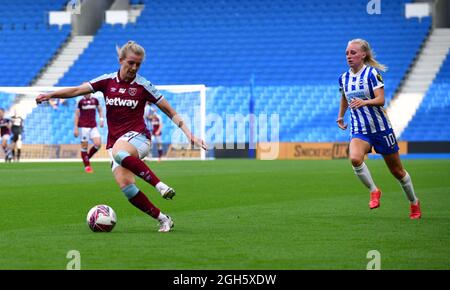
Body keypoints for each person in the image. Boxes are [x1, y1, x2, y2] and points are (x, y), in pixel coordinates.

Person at [36, 40, 207, 232]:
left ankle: (160, 185)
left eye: (138, 64)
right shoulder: (107, 81)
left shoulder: (143, 86)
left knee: (119, 151)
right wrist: (50, 95)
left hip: (140, 138)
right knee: (127, 187)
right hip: (117, 144)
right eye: (131, 63)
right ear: (121, 60)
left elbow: (168, 110)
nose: (134, 67)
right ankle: (163, 219)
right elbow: (76, 90)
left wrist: (189, 133)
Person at [337, 38, 421, 219]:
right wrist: (340, 116)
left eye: (353, 52)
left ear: (363, 54)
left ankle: (414, 202)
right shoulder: (343, 78)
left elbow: (381, 99)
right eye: (347, 53)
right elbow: (344, 97)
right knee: (354, 158)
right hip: (360, 129)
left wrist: (364, 102)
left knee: (397, 172)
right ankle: (374, 191)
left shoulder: (372, 74)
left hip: (381, 129)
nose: (349, 56)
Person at [74, 91, 104, 173]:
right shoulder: (80, 102)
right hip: (84, 128)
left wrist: (101, 119)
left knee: (98, 144)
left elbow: (100, 110)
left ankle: (86, 158)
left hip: (93, 126)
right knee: (84, 147)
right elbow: (77, 115)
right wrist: (76, 128)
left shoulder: (95, 100)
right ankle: (87, 166)